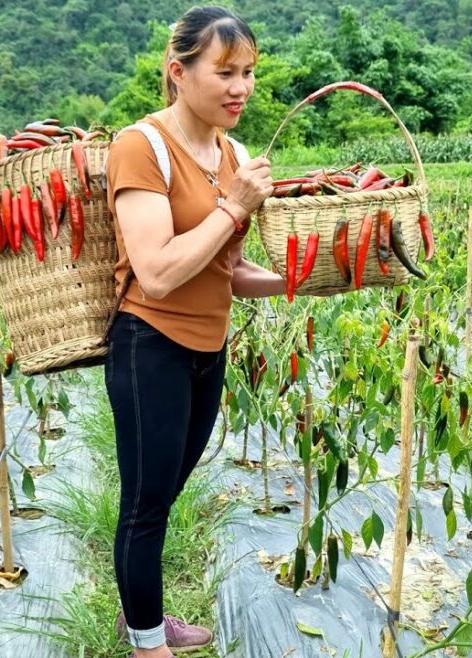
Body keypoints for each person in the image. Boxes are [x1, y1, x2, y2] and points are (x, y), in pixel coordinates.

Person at [102, 6, 285, 658]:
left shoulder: (231, 152)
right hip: (149, 346)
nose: (241, 88)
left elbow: (229, 273)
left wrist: (300, 281)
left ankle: (141, 613)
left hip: (210, 349)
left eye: (250, 73)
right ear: (178, 72)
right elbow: (156, 271)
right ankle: (151, 646)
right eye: (226, 72)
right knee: (146, 505)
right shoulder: (141, 146)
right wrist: (235, 205)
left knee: (167, 490)